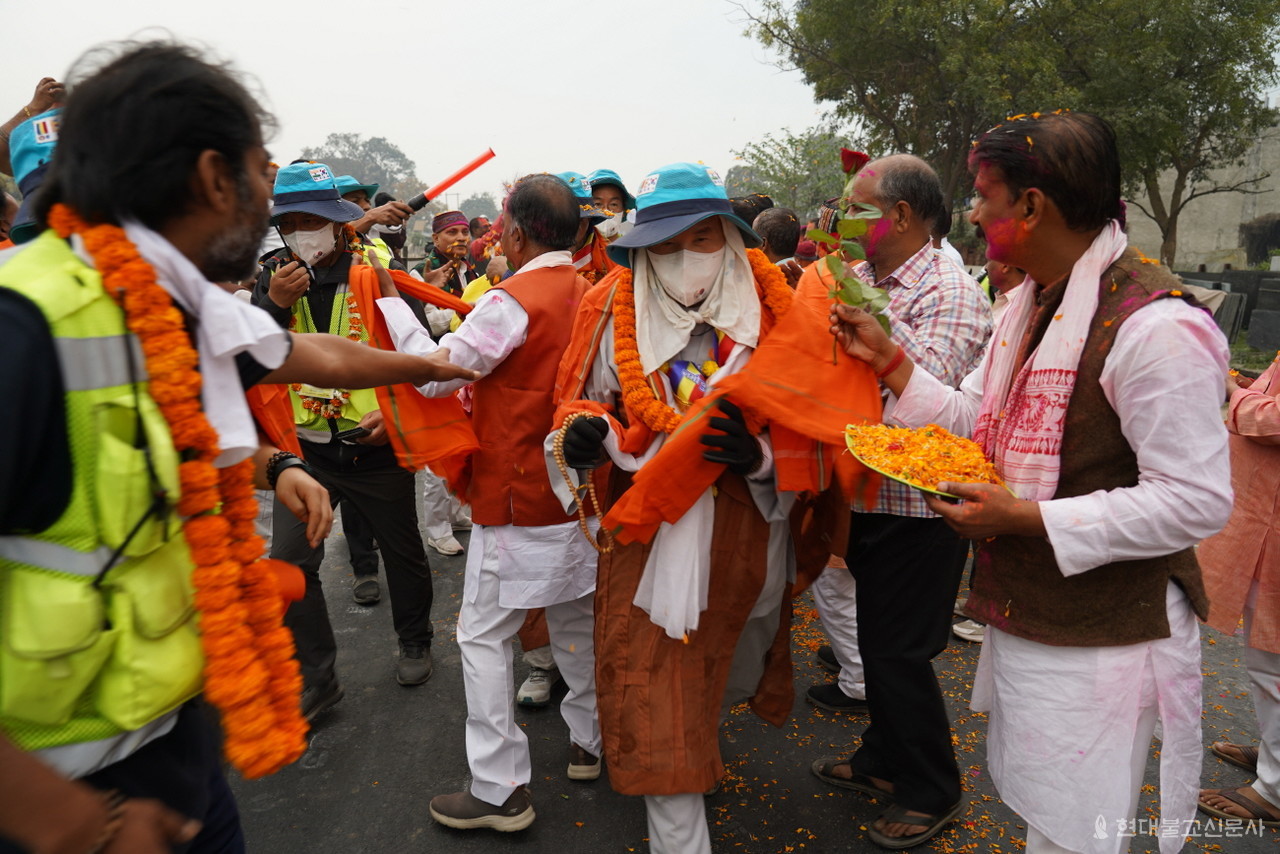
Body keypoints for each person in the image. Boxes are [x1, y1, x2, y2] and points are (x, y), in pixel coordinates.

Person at [0, 41, 473, 854]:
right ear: (216, 178)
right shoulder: (22, 326)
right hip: (56, 796)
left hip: (173, 748)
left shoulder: (172, 298)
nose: (271, 208)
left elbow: (307, 355)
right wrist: (65, 820)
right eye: (263, 177)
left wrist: (436, 365)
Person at [829, 111, 1232, 853]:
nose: (973, 213)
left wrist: (1027, 522)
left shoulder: (1154, 328)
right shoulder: (1032, 303)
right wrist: (887, 359)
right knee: (1043, 809)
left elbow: (1197, 501)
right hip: (1036, 607)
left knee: (1074, 828)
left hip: (1107, 630)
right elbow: (972, 415)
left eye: (984, 194)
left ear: (1033, 206)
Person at [551, 162, 800, 853]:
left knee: (733, 657)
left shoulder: (779, 314)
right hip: (648, 526)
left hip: (751, 528)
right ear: (636, 250)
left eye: (701, 238)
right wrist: (580, 437)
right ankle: (678, 805)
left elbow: (816, 433)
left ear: (731, 236)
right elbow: (580, 403)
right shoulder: (610, 307)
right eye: (663, 244)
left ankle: (698, 738)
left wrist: (759, 462)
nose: (684, 258)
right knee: (655, 687)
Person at [373, 173, 601, 831]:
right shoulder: (587, 291)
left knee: (481, 635)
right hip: (575, 496)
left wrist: (391, 308)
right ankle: (589, 740)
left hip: (516, 493)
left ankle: (501, 790)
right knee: (576, 620)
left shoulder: (512, 300)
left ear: (518, 233)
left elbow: (442, 376)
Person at [807, 154, 991, 849]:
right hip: (866, 492)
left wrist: (872, 332)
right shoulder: (862, 277)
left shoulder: (948, 290)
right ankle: (882, 760)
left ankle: (931, 787)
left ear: (903, 217)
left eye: (854, 207)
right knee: (879, 640)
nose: (840, 219)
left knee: (898, 652)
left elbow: (931, 403)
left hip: (920, 505)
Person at [252, 161, 443, 710]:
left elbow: (414, 353)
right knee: (289, 565)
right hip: (304, 452)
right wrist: (273, 305)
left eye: (317, 219)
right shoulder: (273, 279)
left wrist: (394, 412)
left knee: (403, 553)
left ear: (341, 223)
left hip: (374, 449)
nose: (305, 231)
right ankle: (318, 677)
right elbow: (249, 361)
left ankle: (415, 640)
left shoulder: (371, 274)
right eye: (293, 222)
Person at [1195, 359, 1280, 828]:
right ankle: (1273, 754)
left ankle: (1275, 789)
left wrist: (1233, 392)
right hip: (1262, 514)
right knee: (1267, 657)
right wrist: (1252, 386)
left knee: (1274, 660)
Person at [557, 170, 616, 284]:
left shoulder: (613, 260)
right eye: (564, 219)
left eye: (580, 220)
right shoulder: (528, 257)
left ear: (589, 220)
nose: (571, 226)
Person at [752, 206, 803, 287]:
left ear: (763, 244)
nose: (751, 247)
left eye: (753, 239)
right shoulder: (808, 280)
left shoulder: (758, 285)